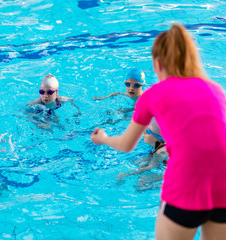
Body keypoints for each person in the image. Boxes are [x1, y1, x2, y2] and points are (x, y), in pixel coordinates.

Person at [91, 24, 226, 239]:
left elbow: (126, 145)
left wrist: (104, 139)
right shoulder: (216, 90)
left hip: (187, 187)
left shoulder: (154, 95)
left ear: (158, 63)